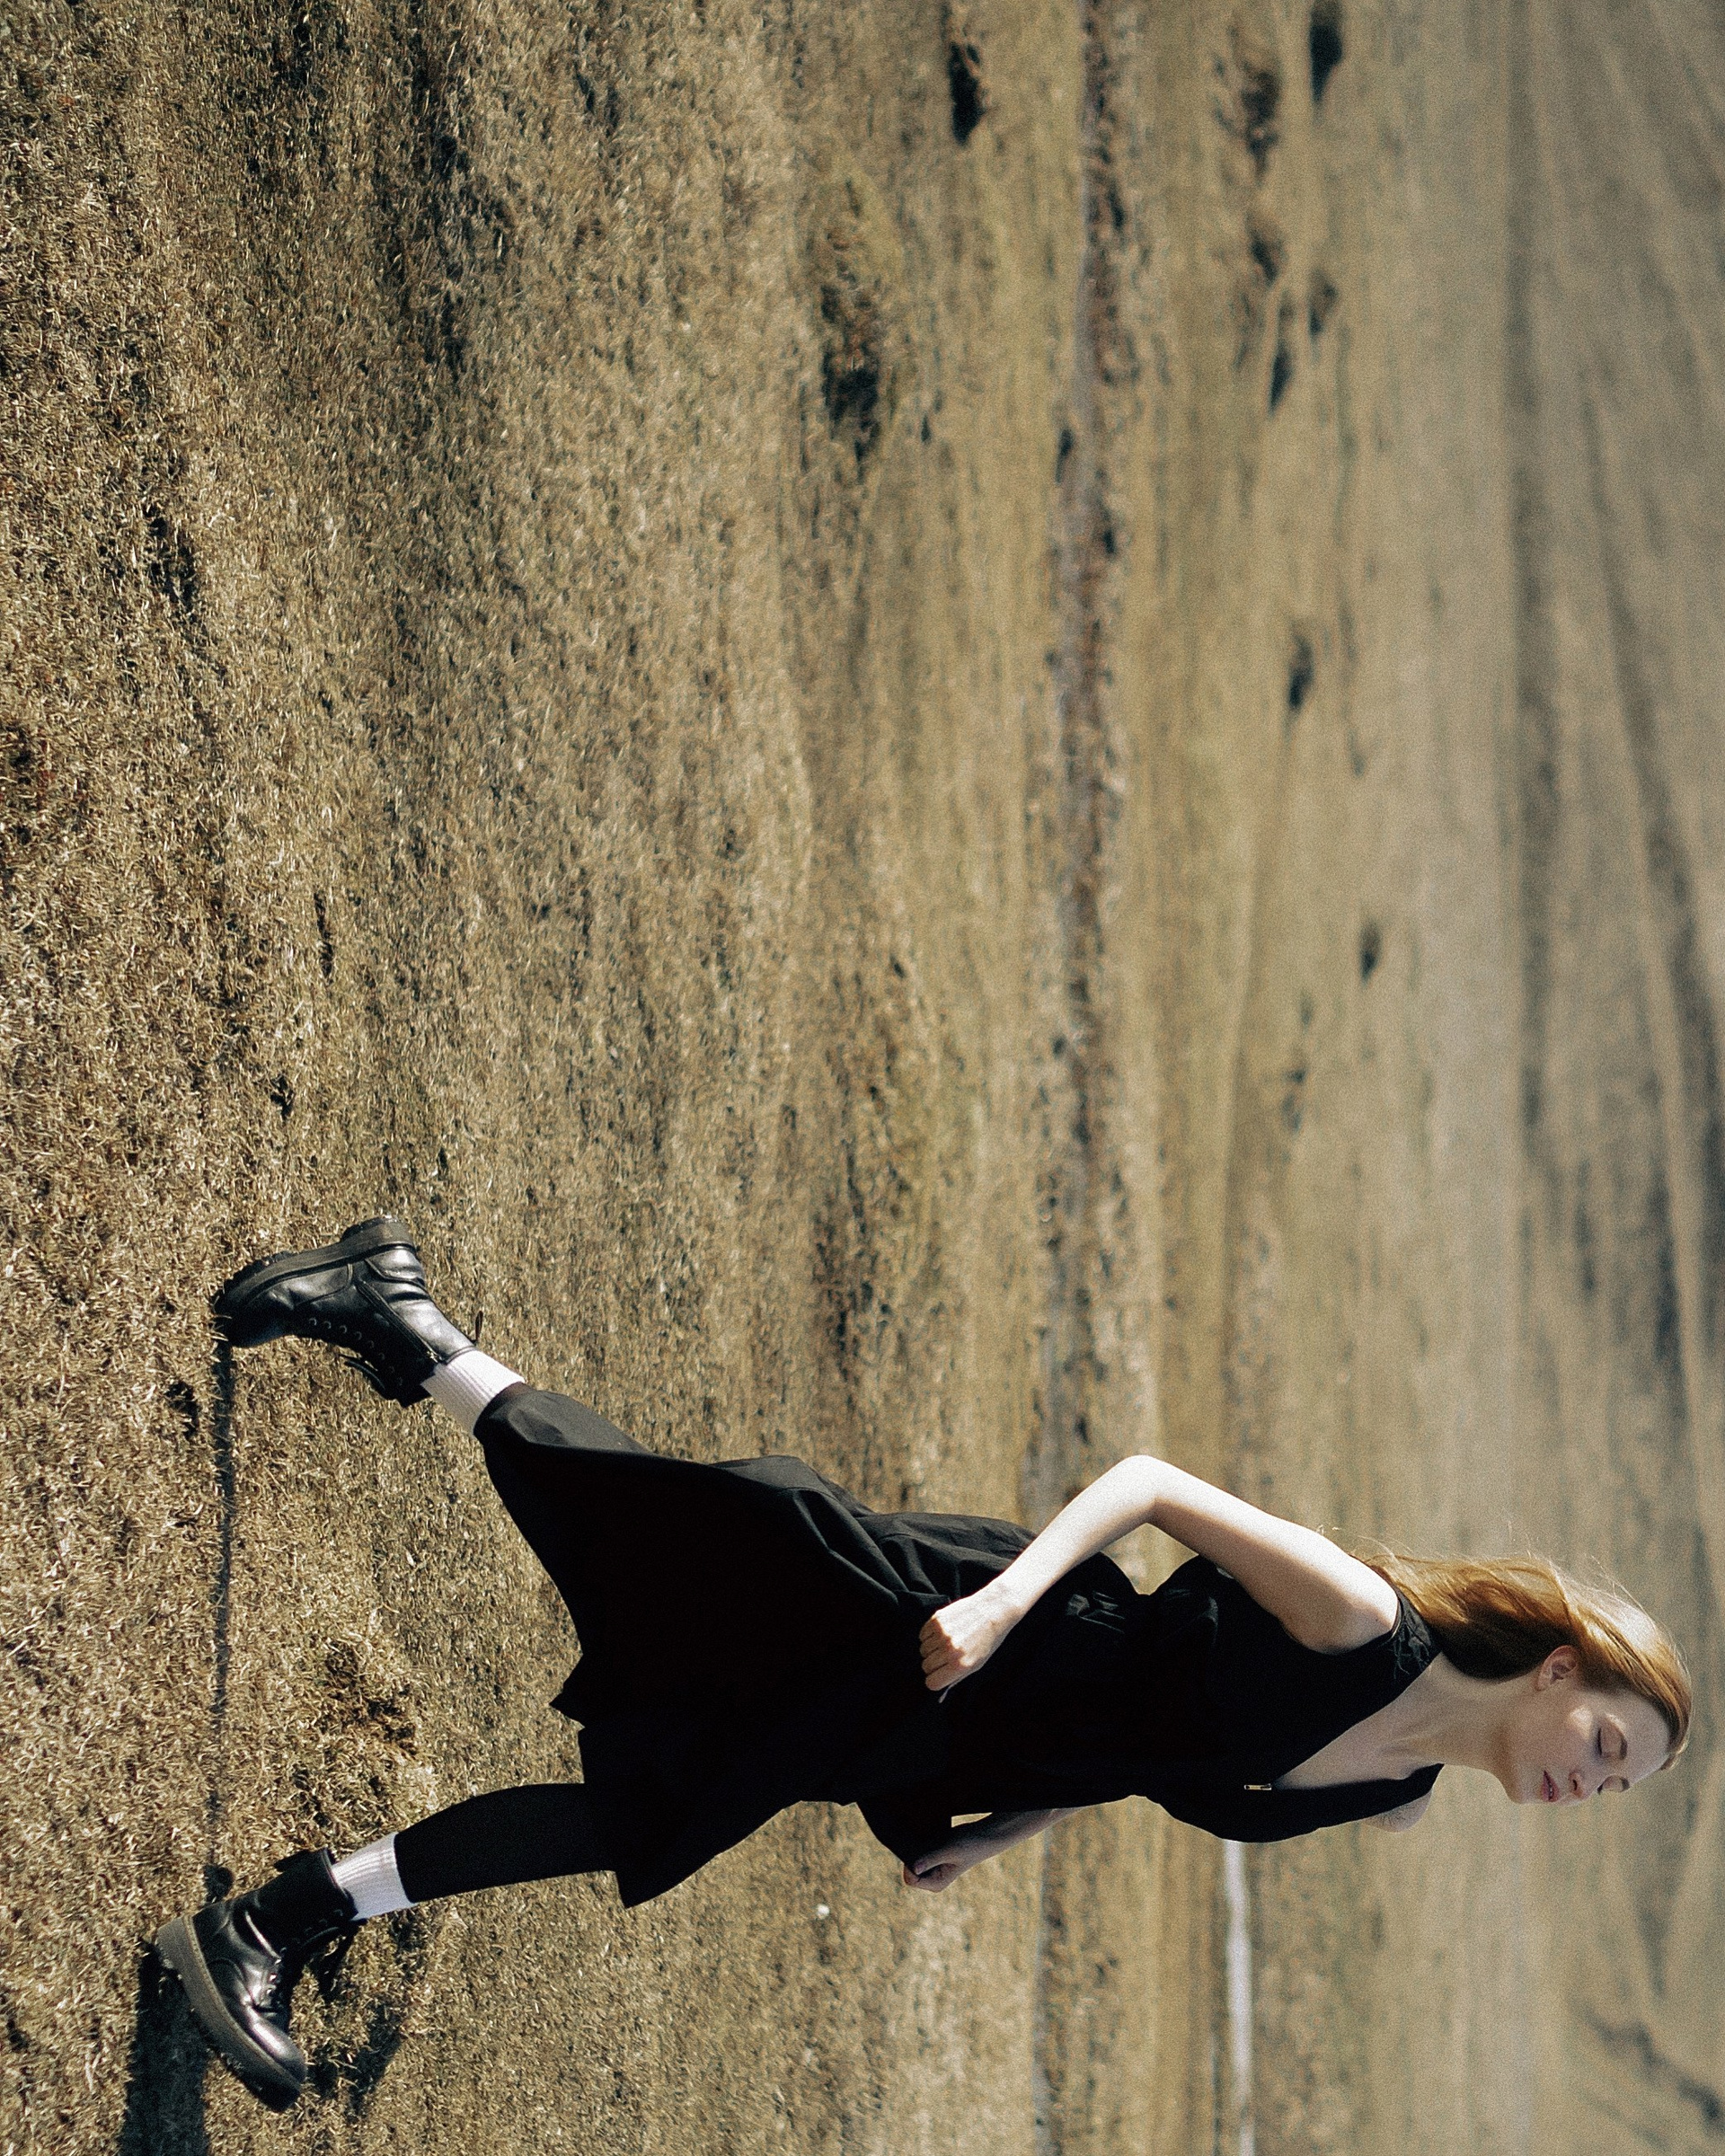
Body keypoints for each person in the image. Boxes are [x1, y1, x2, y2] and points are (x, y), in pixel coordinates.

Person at [155, 1217, 1692, 2107]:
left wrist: (1003, 1833)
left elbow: (1172, 1755)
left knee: (670, 1681)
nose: (1591, 1784)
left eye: (1616, 1789)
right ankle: (280, 1916)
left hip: (972, 1742)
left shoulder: (1395, 1793)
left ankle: (402, 1321)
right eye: (1611, 1745)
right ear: (1564, 1671)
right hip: (978, 1628)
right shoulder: (1363, 1623)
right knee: (669, 1608)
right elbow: (1153, 1486)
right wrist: (1007, 1606)